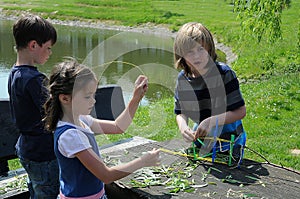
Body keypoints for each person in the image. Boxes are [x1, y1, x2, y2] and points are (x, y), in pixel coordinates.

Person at [43, 59, 160, 199]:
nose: (93, 101)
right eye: (87, 96)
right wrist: (143, 161)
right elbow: (106, 176)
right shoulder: (71, 136)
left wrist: (136, 98)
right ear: (65, 99)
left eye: (93, 95)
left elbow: (118, 127)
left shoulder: (81, 119)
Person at [173, 22, 247, 165]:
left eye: (201, 49)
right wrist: (183, 126)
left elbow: (240, 111)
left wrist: (212, 121)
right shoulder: (183, 80)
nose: (196, 56)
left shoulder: (224, 74)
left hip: (229, 140)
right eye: (190, 52)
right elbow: (180, 112)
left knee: (227, 174)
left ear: (209, 48)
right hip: (202, 137)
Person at [7, 15, 59, 198]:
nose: (50, 53)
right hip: (43, 152)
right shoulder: (35, 80)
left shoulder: (14, 74)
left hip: (27, 148)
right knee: (48, 192)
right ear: (34, 45)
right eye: (48, 48)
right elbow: (55, 112)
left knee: (37, 189)